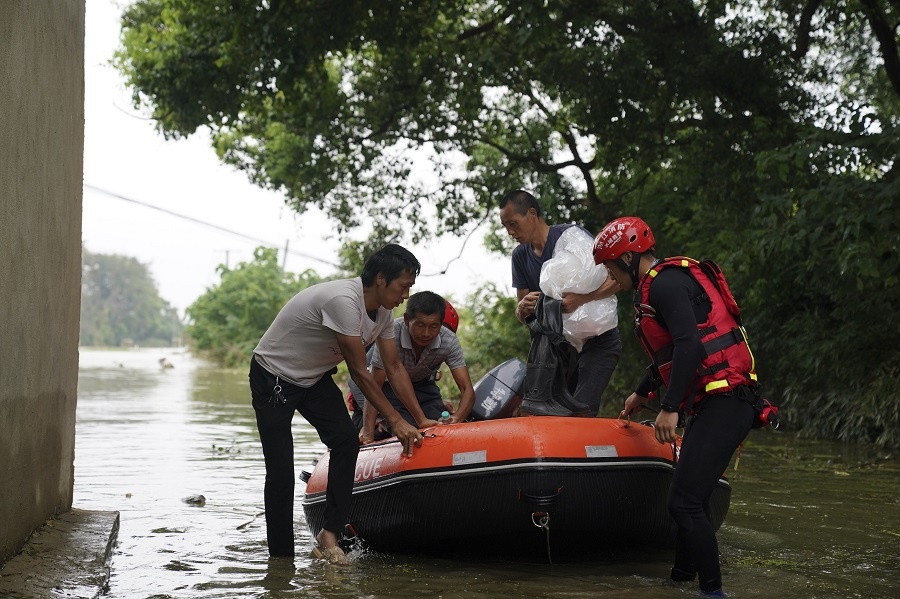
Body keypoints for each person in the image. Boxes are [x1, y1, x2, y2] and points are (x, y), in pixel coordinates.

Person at [593, 216, 758, 598]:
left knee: (683, 501)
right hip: (717, 402)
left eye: (611, 268)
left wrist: (668, 409)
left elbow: (691, 346)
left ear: (629, 259)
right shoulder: (658, 286)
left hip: (727, 402)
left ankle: (713, 592)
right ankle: (680, 581)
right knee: (691, 499)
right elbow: (669, 355)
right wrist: (641, 393)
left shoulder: (664, 285)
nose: (610, 277)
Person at [249, 244, 424, 564]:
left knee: (345, 441)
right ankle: (281, 561)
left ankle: (329, 535)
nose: (406, 294)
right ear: (381, 279)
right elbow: (359, 370)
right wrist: (396, 422)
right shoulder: (344, 301)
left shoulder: (384, 314)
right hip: (273, 375)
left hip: (313, 378)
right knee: (281, 472)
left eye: (410, 287)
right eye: (404, 285)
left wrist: (420, 419)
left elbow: (394, 368)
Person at [498, 189, 622, 415]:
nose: (510, 232)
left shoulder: (572, 237)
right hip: (561, 350)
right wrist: (522, 308)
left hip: (599, 340)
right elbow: (524, 316)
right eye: (505, 226)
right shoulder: (520, 256)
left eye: (513, 224)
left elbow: (618, 281)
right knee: (556, 414)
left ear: (532, 214)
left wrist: (581, 299)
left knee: (582, 410)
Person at [354, 292, 476, 444]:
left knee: (439, 424)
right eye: (420, 325)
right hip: (388, 387)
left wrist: (457, 417)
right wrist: (368, 432)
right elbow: (374, 386)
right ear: (407, 320)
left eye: (433, 326)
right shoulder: (390, 334)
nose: (426, 333)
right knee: (408, 428)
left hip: (423, 385)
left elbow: (467, 389)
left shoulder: (449, 340)